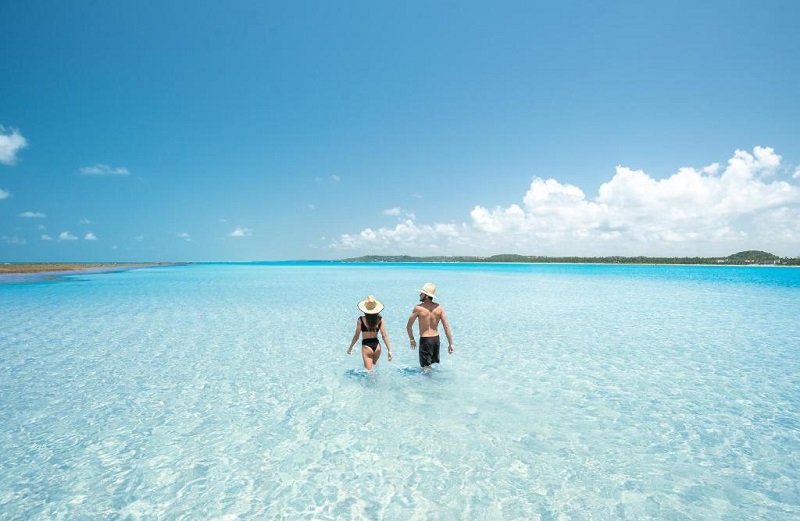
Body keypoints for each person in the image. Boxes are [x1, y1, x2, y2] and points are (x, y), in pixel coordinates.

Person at [406, 282, 454, 372]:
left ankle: (428, 385)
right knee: (433, 366)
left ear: (427, 296)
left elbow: (408, 326)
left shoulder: (418, 308)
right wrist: (451, 343)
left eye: (422, 293)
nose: (420, 294)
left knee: (426, 369)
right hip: (436, 340)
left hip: (425, 341)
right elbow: (446, 326)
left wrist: (411, 339)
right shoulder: (440, 308)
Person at [347, 295, 393, 370]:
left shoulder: (361, 320)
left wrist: (350, 347)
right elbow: (384, 335)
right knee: (373, 367)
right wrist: (389, 351)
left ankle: (375, 382)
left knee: (370, 373)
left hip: (366, 347)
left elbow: (356, 336)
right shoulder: (380, 319)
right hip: (377, 346)